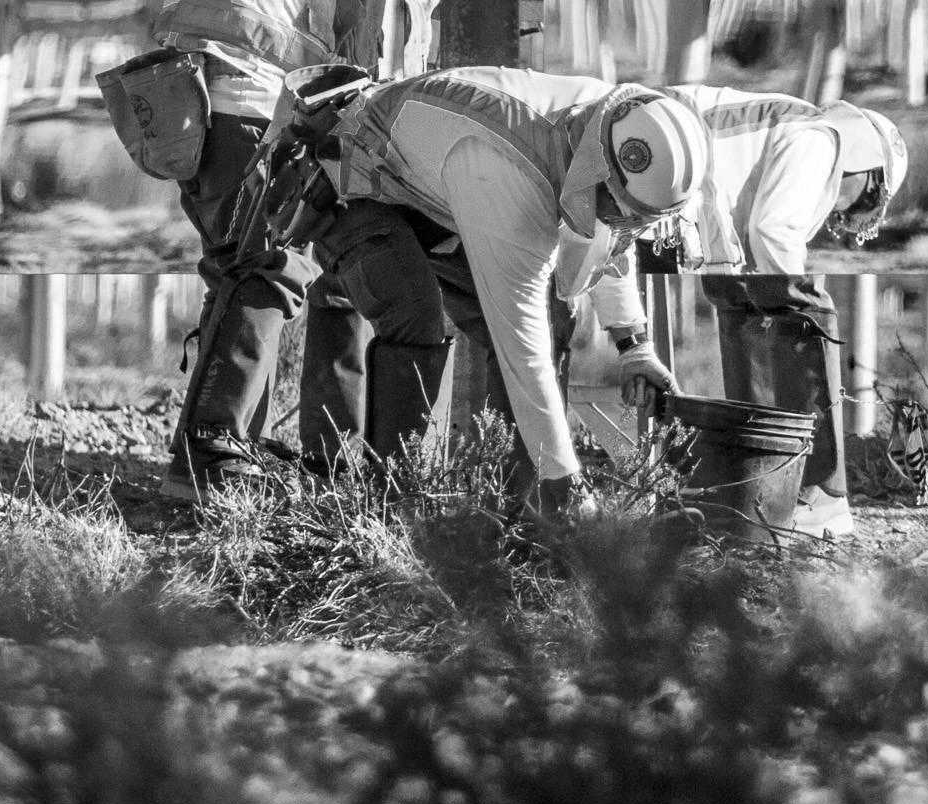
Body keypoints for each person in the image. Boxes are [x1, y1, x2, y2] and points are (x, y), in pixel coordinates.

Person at [148, 0, 491, 492]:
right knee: (265, 270)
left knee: (256, 272)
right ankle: (211, 461)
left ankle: (232, 458)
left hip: (206, 101)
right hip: (246, 100)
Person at [283, 66, 709, 514]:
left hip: (431, 193)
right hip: (353, 179)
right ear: (598, 174)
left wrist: (634, 345)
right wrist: (567, 481)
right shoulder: (507, 171)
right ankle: (396, 505)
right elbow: (521, 346)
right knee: (415, 310)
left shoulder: (609, 123)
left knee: (555, 314)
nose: (620, 225)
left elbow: (609, 238)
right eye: (621, 212)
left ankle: (510, 509)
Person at [654, 88, 906, 538]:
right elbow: (773, 229)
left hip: (661, 167)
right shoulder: (822, 139)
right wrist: (793, 298)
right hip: (665, 158)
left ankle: (763, 492)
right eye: (870, 199)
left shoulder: (796, 128)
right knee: (800, 308)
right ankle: (821, 495)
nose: (851, 214)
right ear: (867, 167)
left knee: (740, 303)